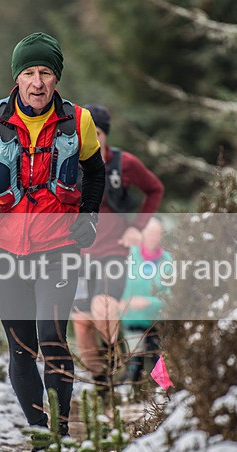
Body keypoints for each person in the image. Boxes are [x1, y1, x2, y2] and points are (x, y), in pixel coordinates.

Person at [0, 32, 105, 442]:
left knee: (51, 337)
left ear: (57, 79)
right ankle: (40, 436)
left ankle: (60, 435)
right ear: (16, 78)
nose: (38, 83)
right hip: (6, 249)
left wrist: (88, 217)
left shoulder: (79, 120)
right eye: (30, 73)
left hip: (59, 247)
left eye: (46, 73)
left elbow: (95, 171)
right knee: (20, 347)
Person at [71, 104, 164, 386]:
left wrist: (137, 228)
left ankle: (119, 357)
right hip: (79, 255)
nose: (91, 138)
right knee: (82, 325)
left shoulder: (124, 164)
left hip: (115, 253)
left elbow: (154, 189)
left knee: (104, 307)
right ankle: (102, 381)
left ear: (105, 134)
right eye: (84, 133)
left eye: (96, 132)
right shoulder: (67, 165)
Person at [120, 217, 171, 384]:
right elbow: (115, 285)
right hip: (131, 319)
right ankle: (128, 399)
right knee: (134, 364)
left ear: (161, 236)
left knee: (160, 364)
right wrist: (123, 302)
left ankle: (165, 397)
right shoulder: (128, 256)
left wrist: (150, 302)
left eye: (156, 233)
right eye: (149, 233)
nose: (152, 237)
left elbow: (172, 295)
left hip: (157, 321)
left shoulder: (168, 261)